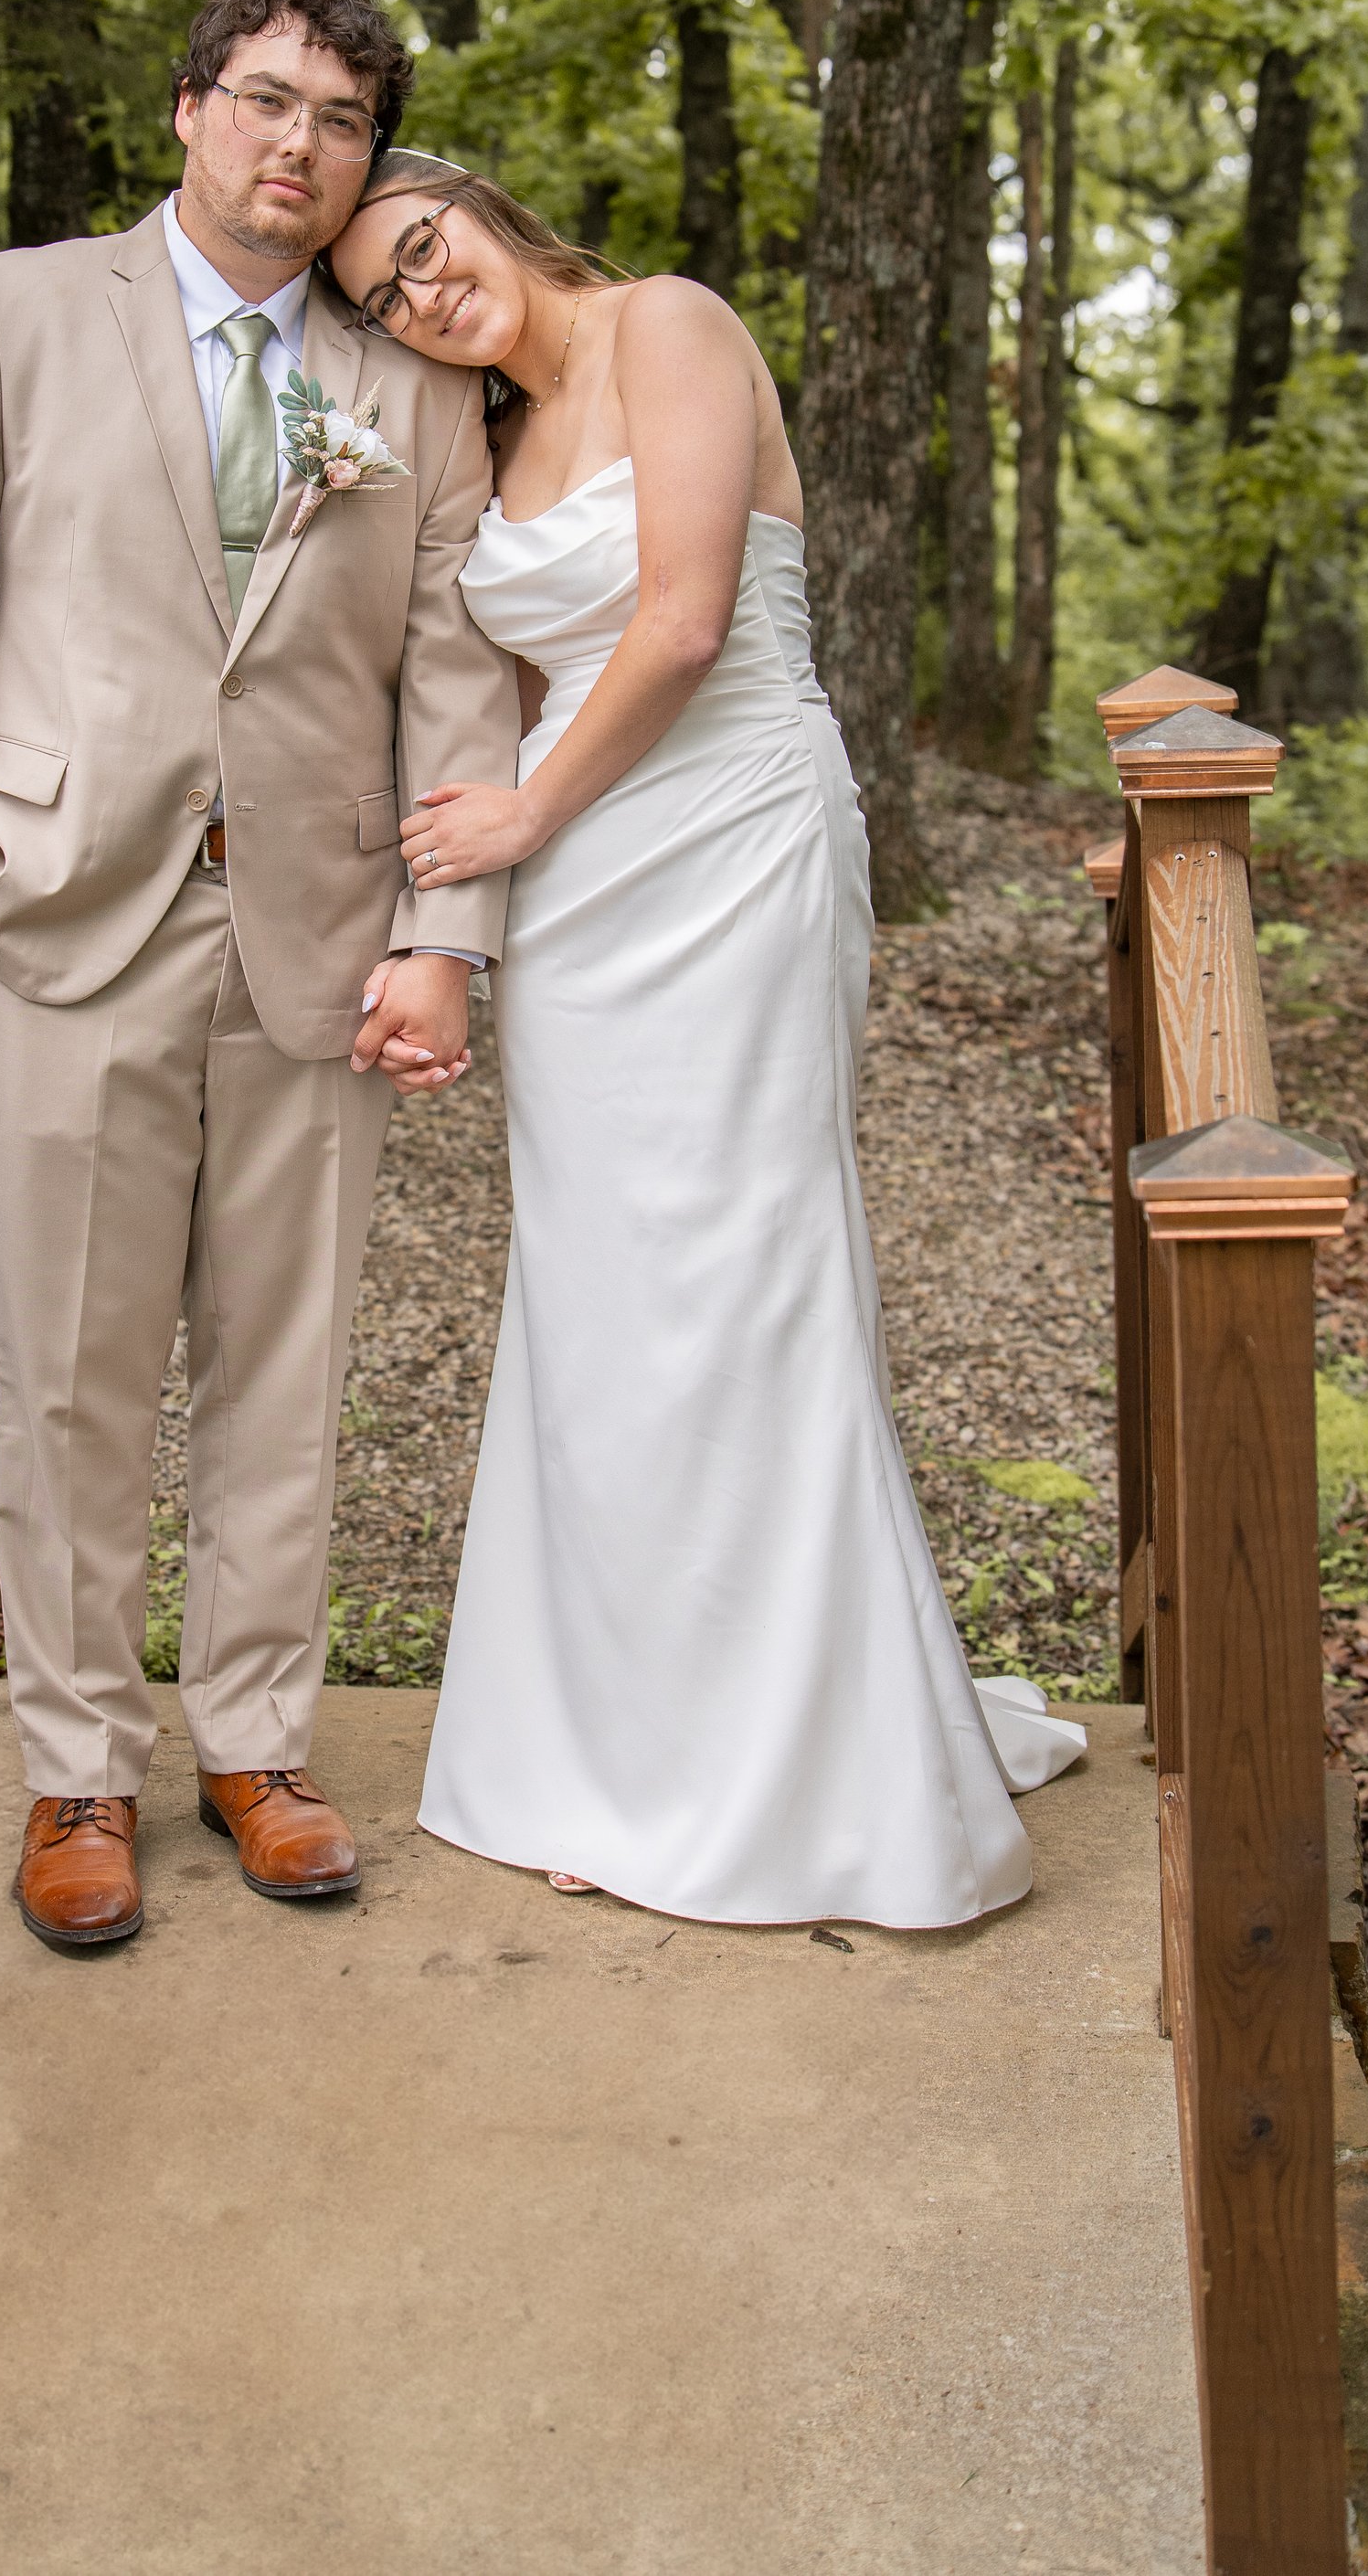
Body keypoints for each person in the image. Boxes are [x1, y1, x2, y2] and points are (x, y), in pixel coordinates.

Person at [0, 0, 519, 1954]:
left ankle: (255, 1746)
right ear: (190, 110)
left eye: (340, 124)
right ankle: (74, 1772)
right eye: (268, 101)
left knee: (280, 1368)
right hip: (61, 922)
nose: (298, 146)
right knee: (63, 1370)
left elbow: (456, 677)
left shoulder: (410, 387)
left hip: (312, 934)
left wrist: (440, 939)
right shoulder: (10, 312)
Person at [326, 154, 1086, 1928]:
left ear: (484, 211)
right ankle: (614, 1746)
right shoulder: (489, 442)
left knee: (746, 1269)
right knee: (602, 1293)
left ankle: (804, 1766)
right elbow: (502, 678)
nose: (420, 299)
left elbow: (675, 623)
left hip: (734, 831)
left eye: (422, 251)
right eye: (380, 297)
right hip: (586, 899)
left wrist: (516, 818)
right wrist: (453, 893)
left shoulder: (669, 323)